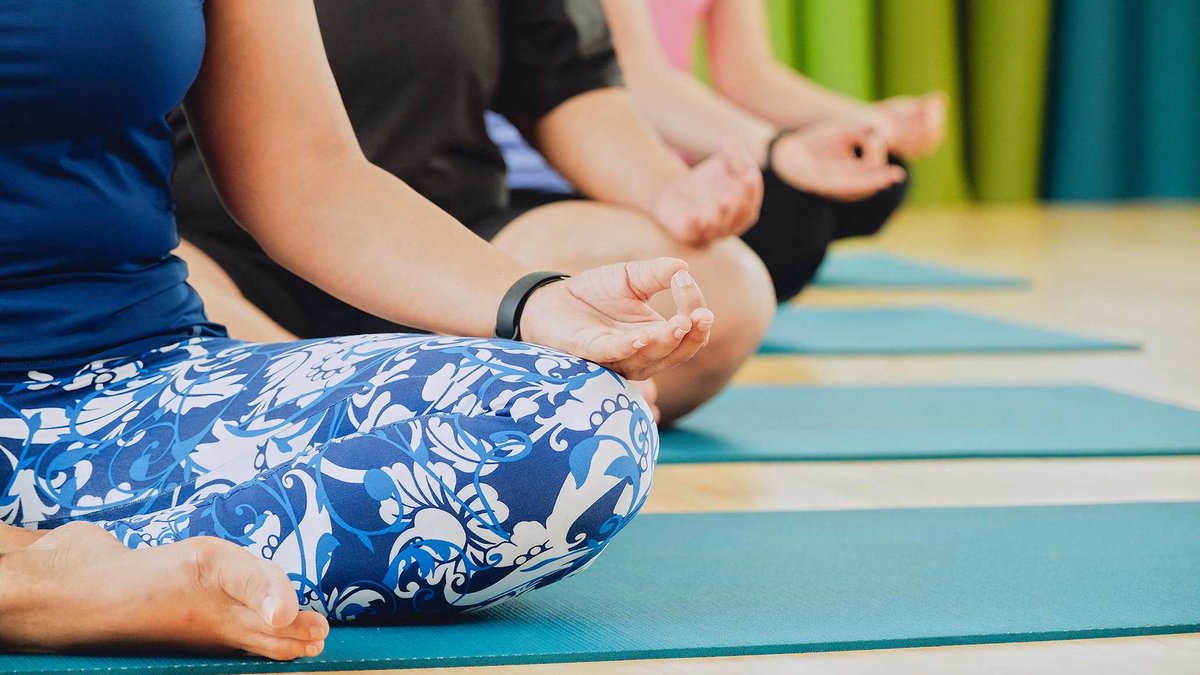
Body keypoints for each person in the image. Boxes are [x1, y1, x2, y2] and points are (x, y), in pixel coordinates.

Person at [0, 0, 714, 660]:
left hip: (136, 389)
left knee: (582, 423)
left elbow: (309, 172)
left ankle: (118, 566)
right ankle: (36, 588)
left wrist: (537, 305)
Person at [173, 0, 764, 426]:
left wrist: (667, 190)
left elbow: (570, 87)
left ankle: (413, 407)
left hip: (442, 248)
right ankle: (349, 409)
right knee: (148, 274)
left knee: (720, 290)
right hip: (206, 254)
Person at [501, 0, 945, 304]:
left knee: (875, 174)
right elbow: (637, 83)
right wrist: (777, 148)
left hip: (665, 160)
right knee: (791, 227)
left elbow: (749, 74)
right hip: (560, 174)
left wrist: (873, 123)